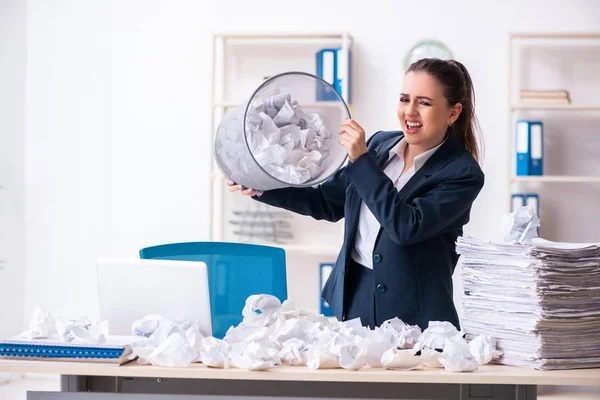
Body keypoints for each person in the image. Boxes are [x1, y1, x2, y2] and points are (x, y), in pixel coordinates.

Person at [227, 58, 485, 330]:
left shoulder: (462, 173)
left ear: (453, 113)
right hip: (355, 302)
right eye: (404, 99)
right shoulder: (379, 144)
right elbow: (326, 202)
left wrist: (362, 161)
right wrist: (261, 186)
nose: (409, 111)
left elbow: (406, 227)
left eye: (424, 102)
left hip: (416, 318)